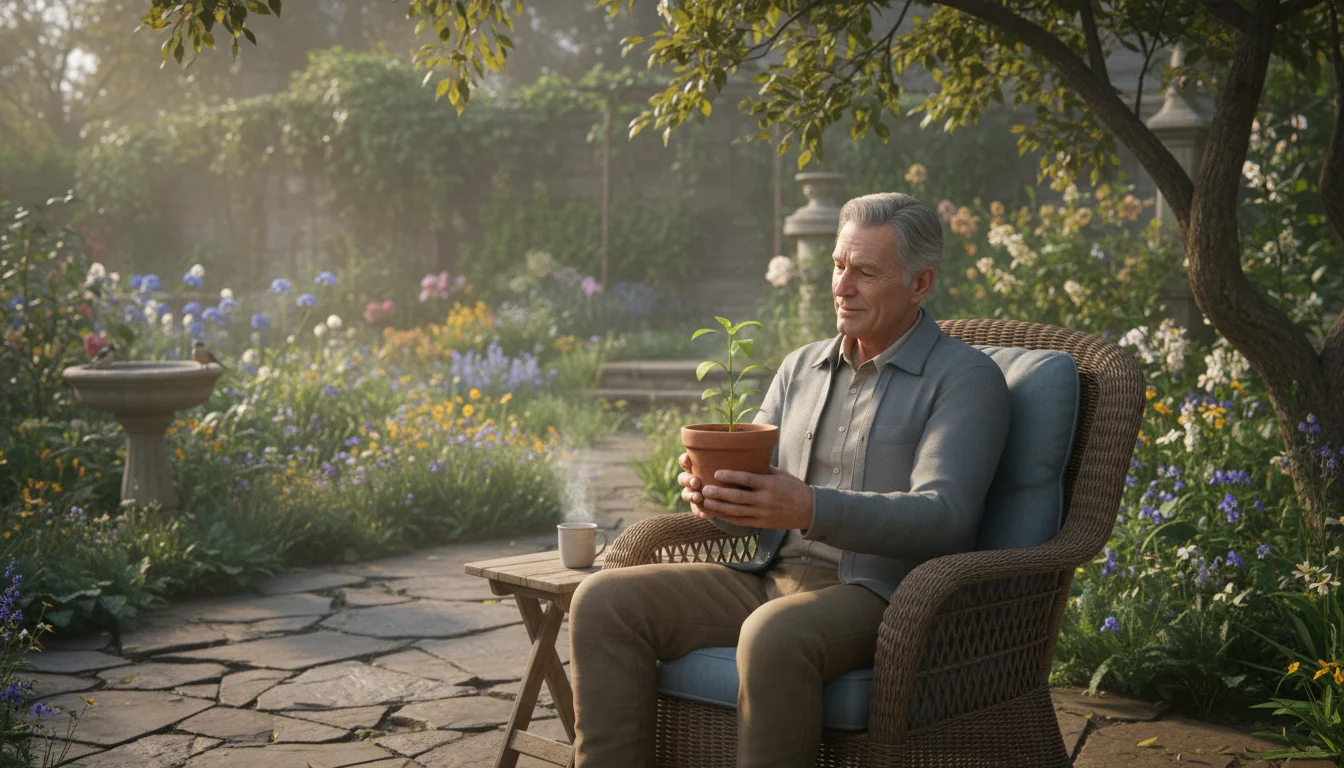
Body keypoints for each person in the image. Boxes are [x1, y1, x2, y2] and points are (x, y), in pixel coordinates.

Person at [568, 192, 1011, 767]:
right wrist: (718, 495)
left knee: (774, 635)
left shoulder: (965, 379)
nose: (842, 286)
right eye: (838, 265)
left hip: (882, 594)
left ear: (920, 283)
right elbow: (756, 494)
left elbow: (944, 516)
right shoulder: (801, 367)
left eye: (866, 272)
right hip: (767, 575)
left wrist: (807, 507)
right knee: (603, 600)